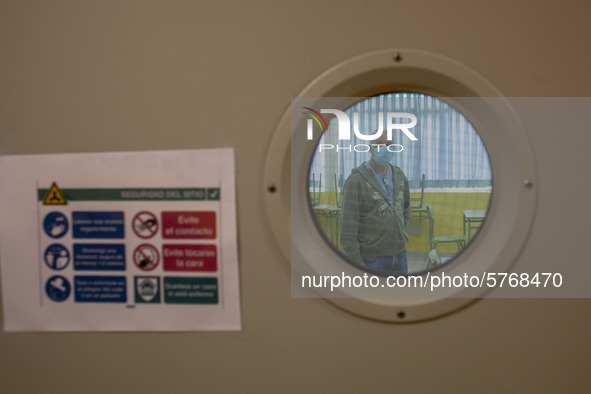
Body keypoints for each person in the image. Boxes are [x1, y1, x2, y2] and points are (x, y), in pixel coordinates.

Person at [339, 135, 410, 275]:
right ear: (370, 148)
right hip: (371, 259)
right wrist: (357, 263)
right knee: (373, 297)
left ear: (394, 148)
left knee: (400, 296)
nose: (384, 148)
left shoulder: (399, 176)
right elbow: (348, 227)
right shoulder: (356, 180)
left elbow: (405, 210)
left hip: (400, 254)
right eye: (378, 143)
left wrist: (397, 233)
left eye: (389, 144)